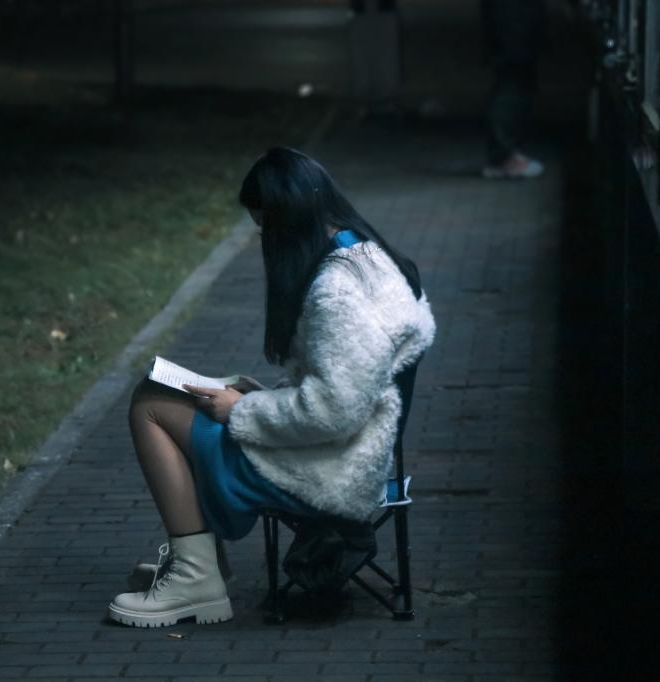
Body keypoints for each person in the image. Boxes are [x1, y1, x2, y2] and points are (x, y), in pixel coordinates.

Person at [107, 147, 437, 628]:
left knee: (150, 405)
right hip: (348, 455)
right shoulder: (366, 255)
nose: (263, 240)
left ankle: (196, 579)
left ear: (288, 222)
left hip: (330, 471)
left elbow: (333, 410)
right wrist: (258, 396)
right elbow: (344, 386)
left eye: (264, 227)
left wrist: (243, 411)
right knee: (178, 401)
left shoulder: (337, 292)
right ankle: (200, 566)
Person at [480, 0, 547, 179]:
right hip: (514, 17)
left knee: (515, 80)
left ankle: (505, 155)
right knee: (513, 81)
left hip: (512, 17)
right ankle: (504, 157)